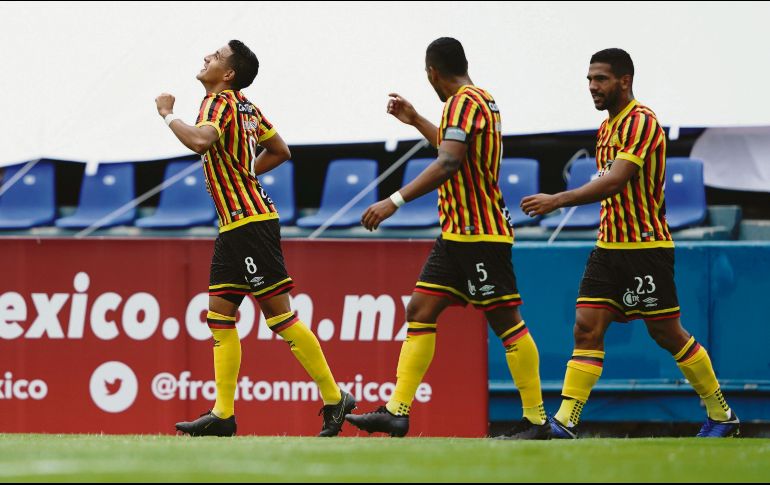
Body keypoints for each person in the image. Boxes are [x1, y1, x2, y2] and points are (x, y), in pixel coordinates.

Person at [520, 48, 739, 439]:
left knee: (667, 334)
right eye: (589, 79)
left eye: (600, 79)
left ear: (625, 81)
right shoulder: (606, 128)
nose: (592, 87)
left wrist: (557, 200)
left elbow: (617, 180)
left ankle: (721, 414)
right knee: (586, 328)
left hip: (645, 249)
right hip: (609, 248)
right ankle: (565, 422)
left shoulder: (641, 121)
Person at [347, 37, 549, 440]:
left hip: (479, 234)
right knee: (420, 310)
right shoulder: (481, 100)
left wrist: (395, 200)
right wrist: (417, 119)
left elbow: (450, 160)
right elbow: (452, 145)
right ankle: (397, 411)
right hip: (457, 234)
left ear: (432, 73)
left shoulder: (461, 101)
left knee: (507, 323)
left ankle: (537, 421)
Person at [154, 40, 355, 437]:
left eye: (213, 57)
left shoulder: (217, 103)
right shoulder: (246, 106)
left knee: (281, 318)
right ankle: (223, 414)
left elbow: (199, 141)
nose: (205, 57)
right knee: (219, 316)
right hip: (235, 225)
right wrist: (246, 173)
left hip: (250, 223)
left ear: (227, 74)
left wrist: (166, 114)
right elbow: (280, 150)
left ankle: (336, 398)